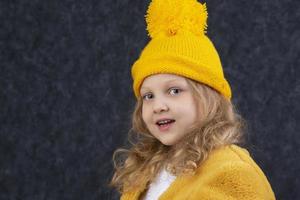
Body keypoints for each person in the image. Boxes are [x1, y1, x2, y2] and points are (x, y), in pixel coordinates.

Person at [109, 0, 276, 199]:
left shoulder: (231, 173)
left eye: (174, 91)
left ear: (209, 98)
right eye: (148, 96)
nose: (158, 106)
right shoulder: (149, 170)